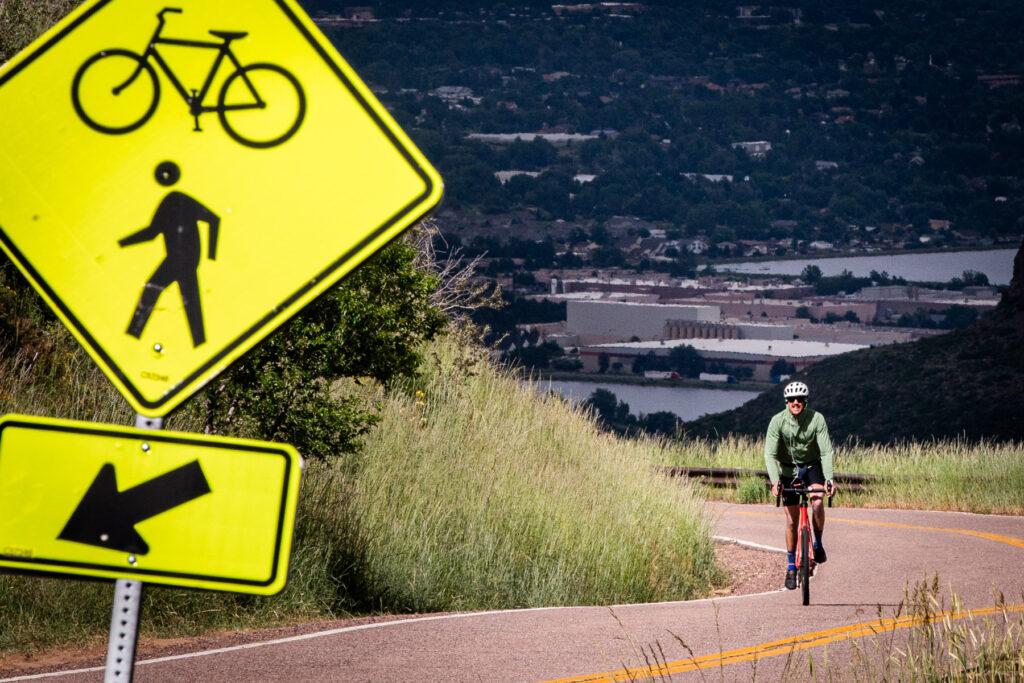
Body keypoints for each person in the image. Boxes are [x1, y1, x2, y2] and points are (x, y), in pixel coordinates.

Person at [120, 161, 220, 347]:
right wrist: (123, 243)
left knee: (156, 289)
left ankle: (133, 334)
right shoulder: (168, 202)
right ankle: (199, 342)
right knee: (189, 301)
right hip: (179, 259)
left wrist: (212, 255)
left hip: (184, 259)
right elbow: (152, 233)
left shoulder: (178, 199)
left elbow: (214, 219)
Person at [764, 381, 837, 590]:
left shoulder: (817, 419)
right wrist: (775, 482)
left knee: (816, 502)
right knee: (791, 520)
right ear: (786, 402)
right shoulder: (777, 421)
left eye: (800, 399)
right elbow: (769, 454)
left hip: (812, 466)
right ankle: (790, 567)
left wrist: (829, 479)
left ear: (805, 401)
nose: (796, 403)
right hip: (787, 470)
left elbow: (826, 451)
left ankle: (818, 543)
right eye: (791, 400)